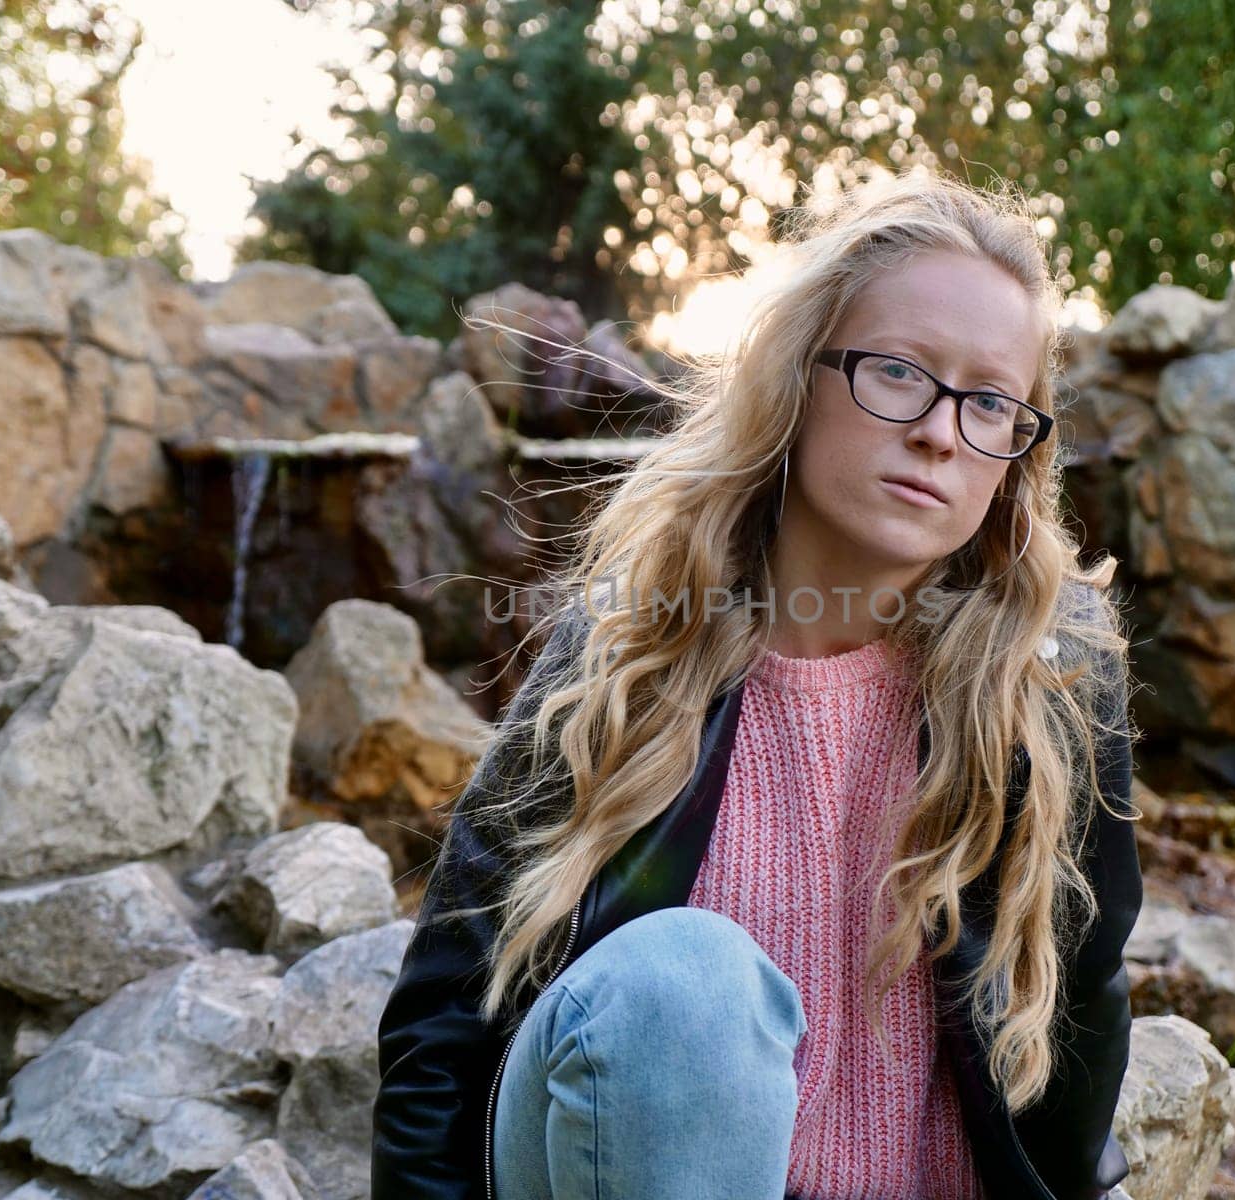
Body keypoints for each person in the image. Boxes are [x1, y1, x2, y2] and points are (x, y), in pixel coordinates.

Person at [372, 166, 1144, 1200]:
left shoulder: (1049, 686)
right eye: (900, 373)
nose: (939, 431)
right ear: (797, 374)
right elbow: (445, 1012)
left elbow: (1081, 1030)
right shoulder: (629, 647)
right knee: (680, 988)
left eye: (990, 400)